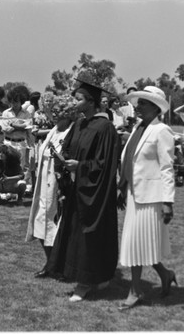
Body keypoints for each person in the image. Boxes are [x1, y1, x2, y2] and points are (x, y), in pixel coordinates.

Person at [45, 78, 120, 302]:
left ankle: (86, 282)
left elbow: (106, 164)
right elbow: (68, 148)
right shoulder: (78, 124)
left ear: (91, 102)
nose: (74, 102)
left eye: (78, 99)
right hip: (75, 189)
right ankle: (87, 277)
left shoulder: (105, 128)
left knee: (90, 235)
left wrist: (81, 167)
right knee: (74, 234)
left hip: (94, 193)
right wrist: (62, 160)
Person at [117, 86, 176, 310]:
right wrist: (122, 188)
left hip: (151, 197)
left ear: (154, 106)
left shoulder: (162, 130)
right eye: (139, 102)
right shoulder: (138, 128)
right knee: (141, 244)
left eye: (142, 103)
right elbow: (129, 160)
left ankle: (135, 291)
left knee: (138, 244)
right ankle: (165, 274)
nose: (138, 106)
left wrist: (168, 202)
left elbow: (167, 168)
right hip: (133, 194)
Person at [26, 96, 76, 279]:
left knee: (58, 225)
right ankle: (50, 263)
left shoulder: (72, 131)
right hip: (44, 183)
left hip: (59, 184)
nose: (51, 114)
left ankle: (61, 266)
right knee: (40, 222)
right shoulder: (53, 130)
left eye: (54, 111)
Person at [0, 85, 33, 184]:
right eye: (12, 102)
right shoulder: (6, 113)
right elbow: (6, 129)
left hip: (21, 143)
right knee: (7, 165)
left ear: (21, 101)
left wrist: (13, 124)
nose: (14, 104)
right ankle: (7, 190)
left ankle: (19, 190)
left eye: (16, 101)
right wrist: (20, 126)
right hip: (8, 142)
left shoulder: (26, 113)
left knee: (20, 167)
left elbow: (28, 127)